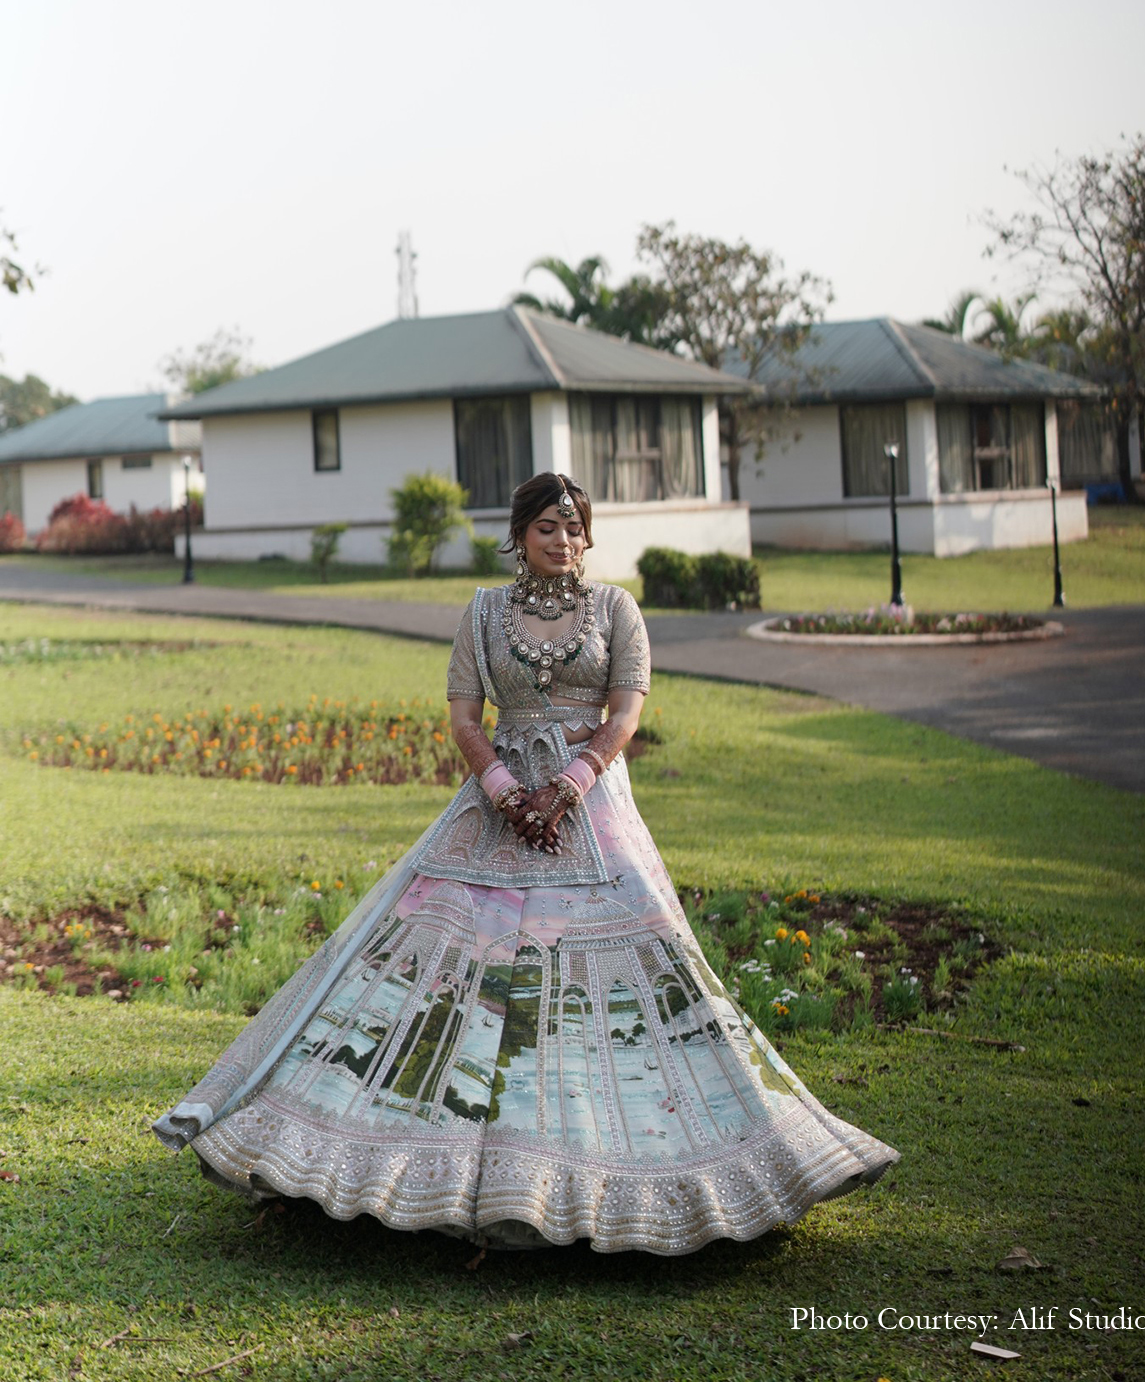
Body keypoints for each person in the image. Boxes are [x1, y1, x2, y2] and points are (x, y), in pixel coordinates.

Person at [153, 471, 898, 1253]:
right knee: (438, 965)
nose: (564, 540)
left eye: (575, 527)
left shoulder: (616, 609)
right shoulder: (481, 612)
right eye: (548, 526)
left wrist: (570, 787)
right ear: (519, 534)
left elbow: (627, 712)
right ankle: (389, 1156)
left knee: (642, 968)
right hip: (493, 809)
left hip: (594, 812)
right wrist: (509, 795)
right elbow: (465, 718)